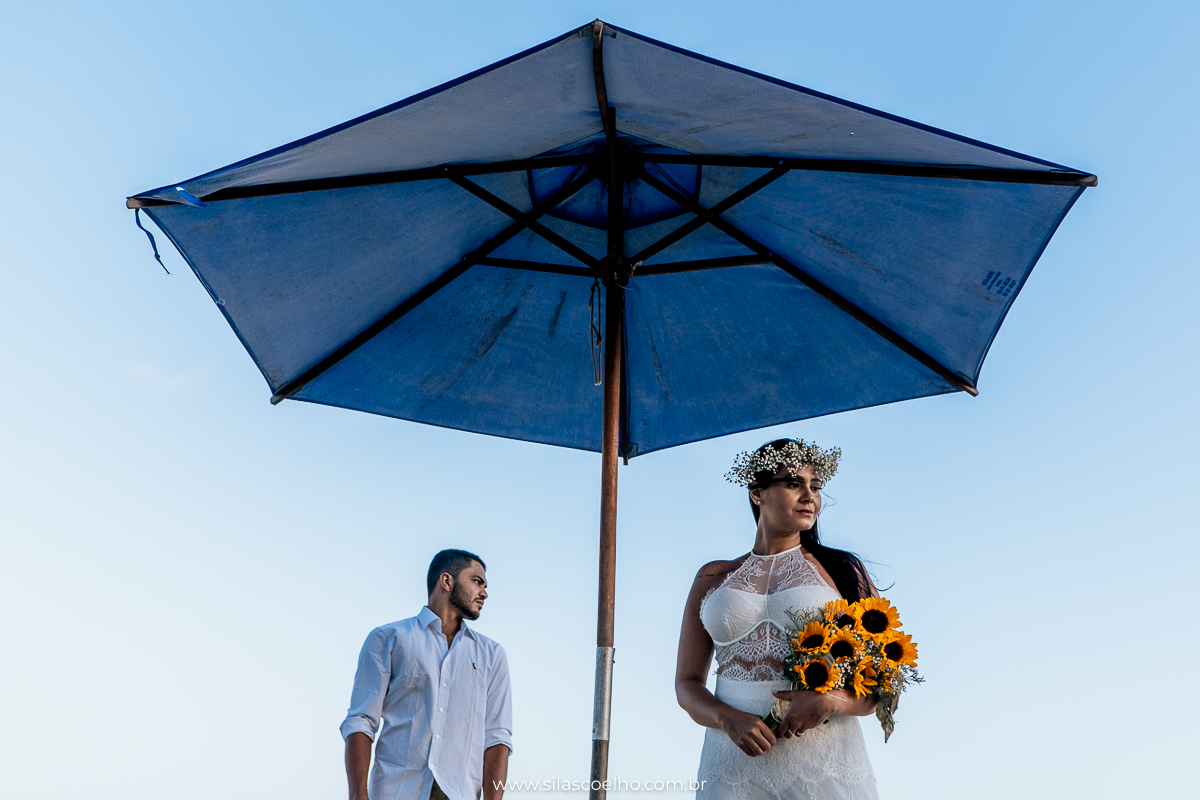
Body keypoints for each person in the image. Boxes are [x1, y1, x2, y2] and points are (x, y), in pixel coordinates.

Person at [676, 439, 880, 800]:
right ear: (757, 493)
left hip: (824, 767)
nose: (809, 496)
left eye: (815, 486)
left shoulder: (841, 571)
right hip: (731, 769)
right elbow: (687, 684)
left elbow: (880, 684)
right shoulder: (712, 576)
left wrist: (833, 701)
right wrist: (726, 717)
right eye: (794, 483)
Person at [341, 549, 512, 800]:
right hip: (396, 792)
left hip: (459, 794)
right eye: (477, 582)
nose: (484, 593)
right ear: (447, 581)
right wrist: (358, 796)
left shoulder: (492, 655)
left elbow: (496, 737)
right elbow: (361, 720)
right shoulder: (388, 639)